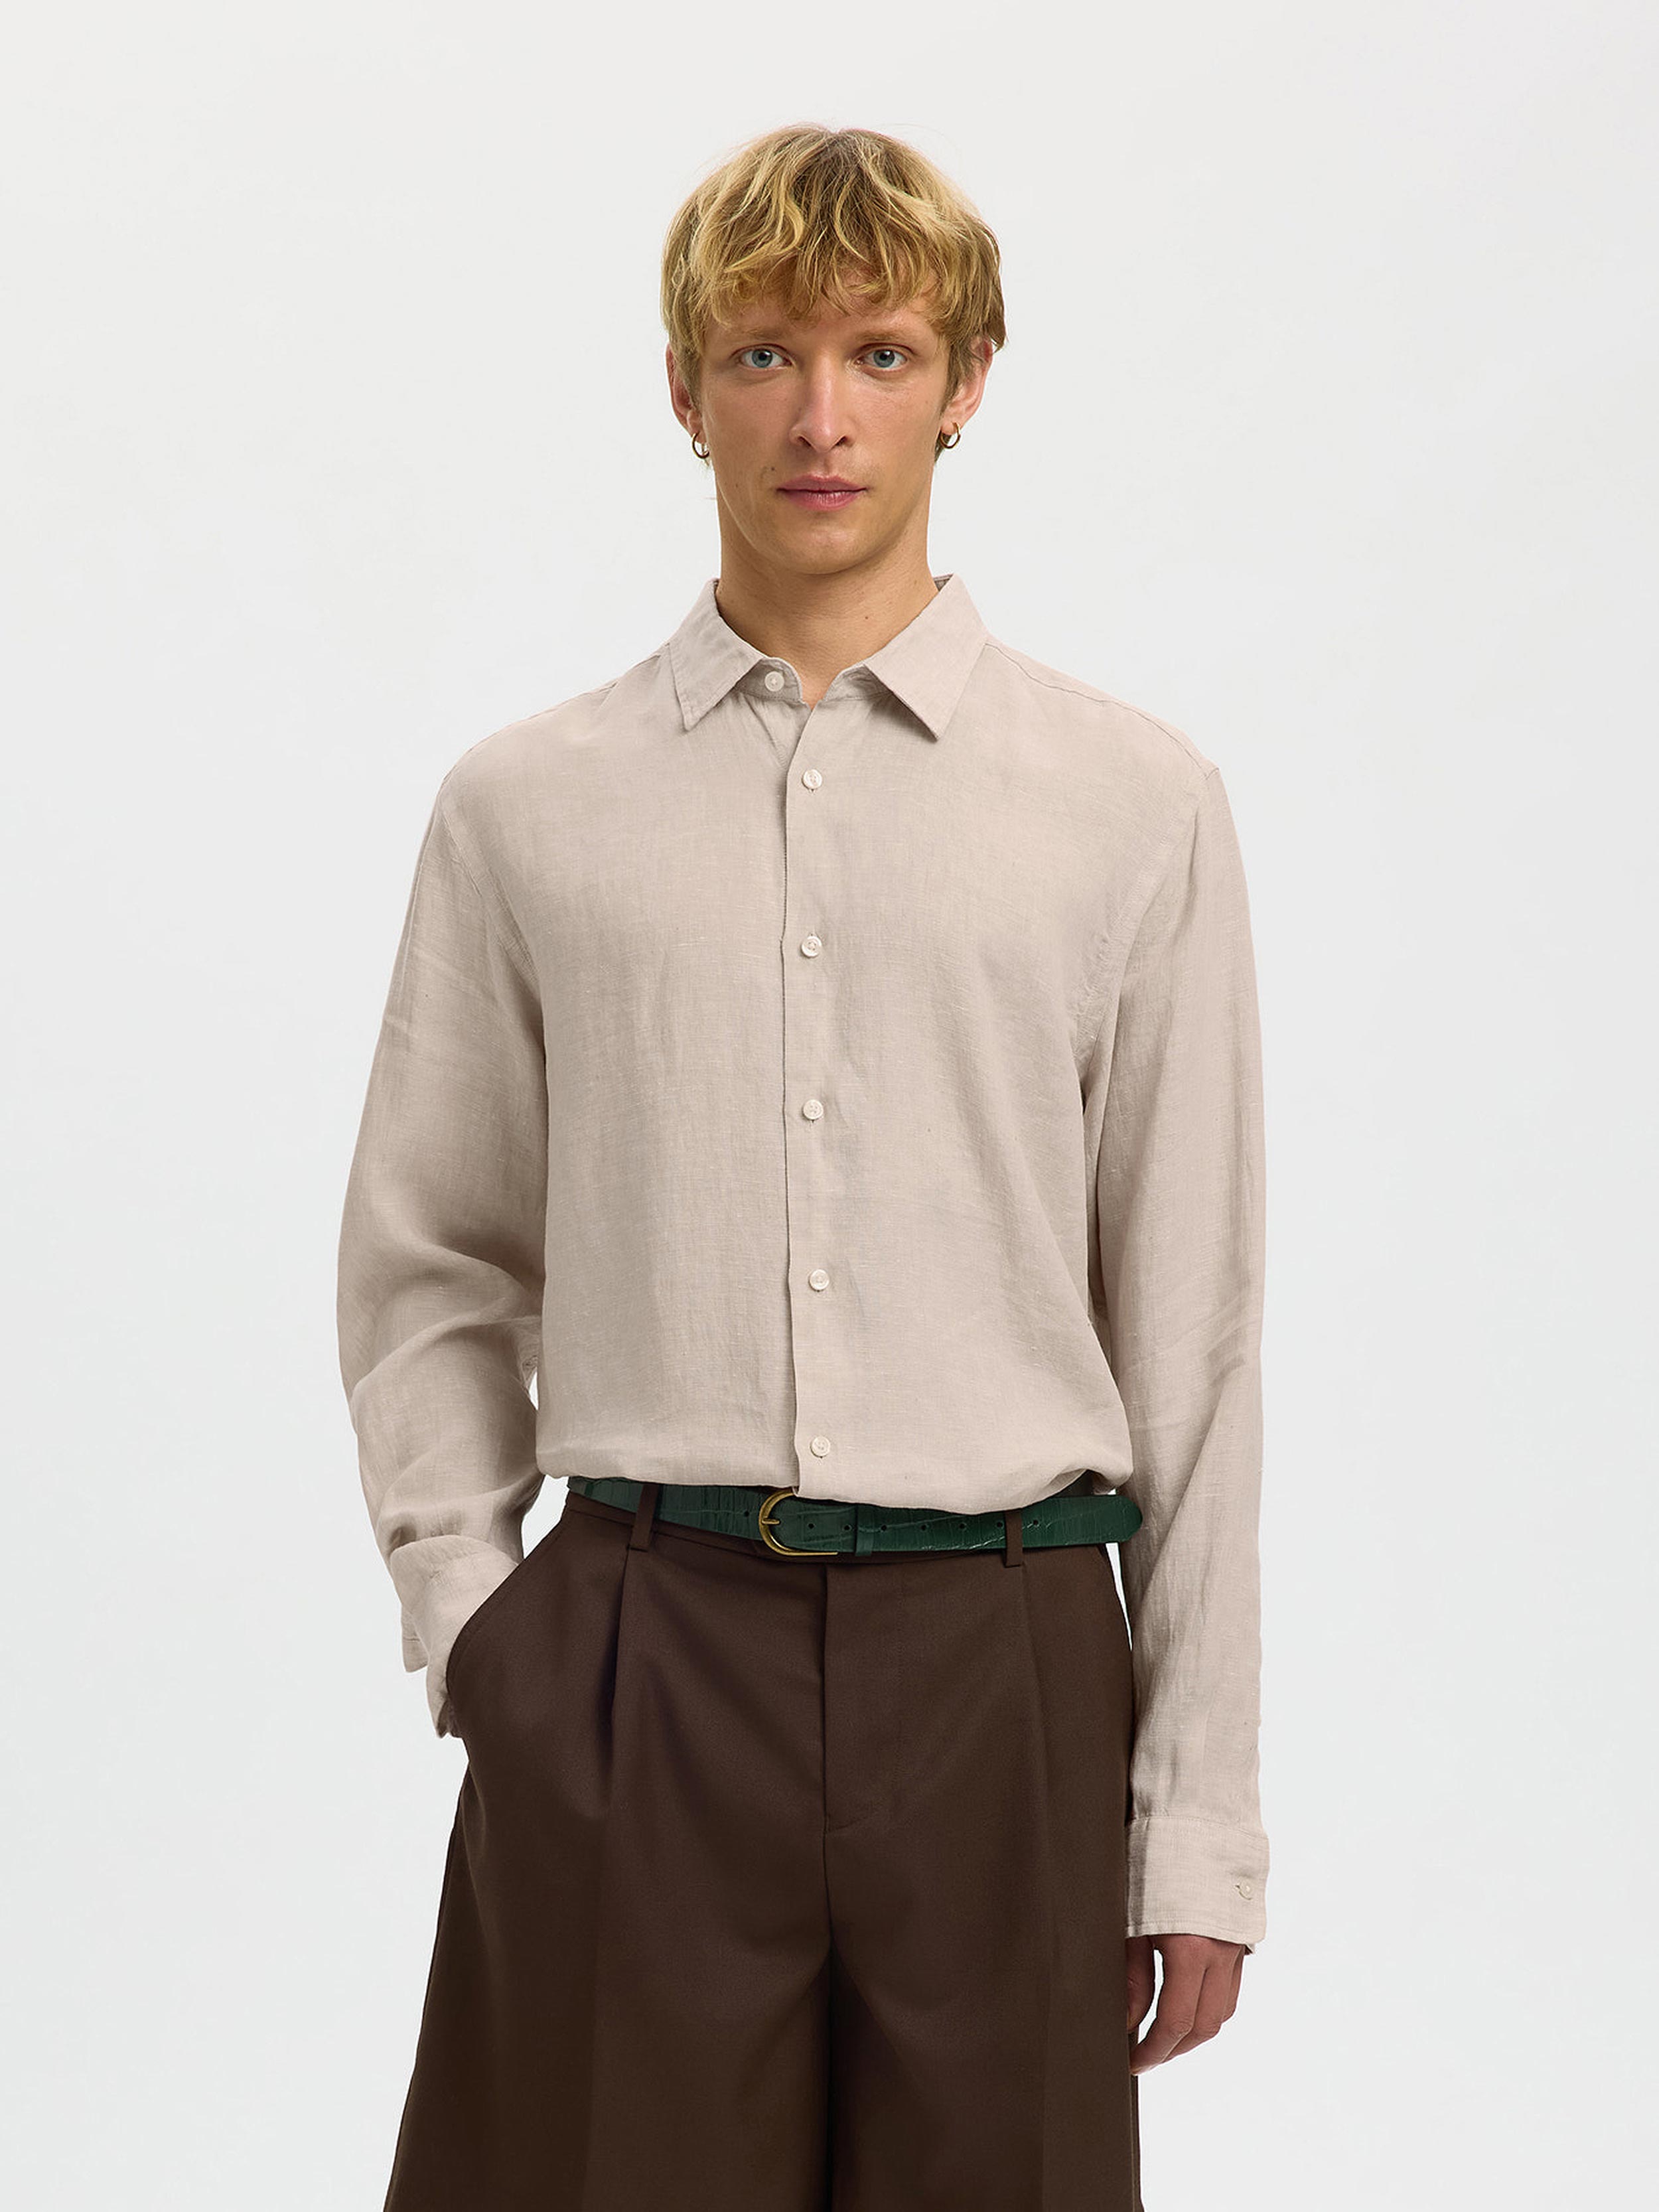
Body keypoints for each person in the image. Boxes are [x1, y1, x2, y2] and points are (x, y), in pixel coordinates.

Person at [336, 119, 1269, 2212]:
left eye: (878, 352)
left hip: (1006, 1666)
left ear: (966, 382)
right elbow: (430, 1259)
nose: (820, 416)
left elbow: (1193, 1342)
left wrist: (1195, 1820)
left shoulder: (1131, 805)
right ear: (684, 391)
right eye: (763, 355)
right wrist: (479, 1624)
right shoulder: (526, 808)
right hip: (639, 1660)